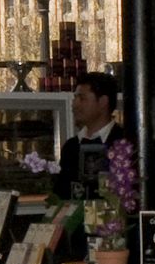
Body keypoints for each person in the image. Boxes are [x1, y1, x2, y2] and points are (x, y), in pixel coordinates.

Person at [54, 69, 129, 200]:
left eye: (82, 98)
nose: (74, 104)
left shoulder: (125, 143)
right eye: (75, 98)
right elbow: (61, 194)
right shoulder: (71, 147)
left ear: (103, 102)